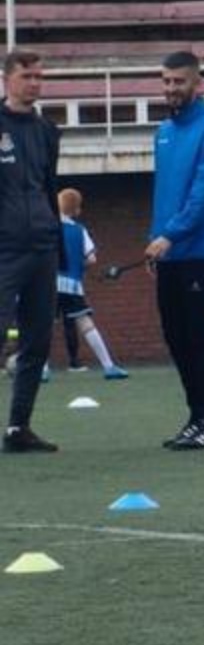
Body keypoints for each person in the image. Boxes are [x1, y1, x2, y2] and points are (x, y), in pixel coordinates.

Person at [145, 49, 204, 449]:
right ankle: (196, 415)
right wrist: (155, 241)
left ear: (197, 84)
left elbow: (202, 194)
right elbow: (164, 195)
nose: (171, 88)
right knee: (176, 336)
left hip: (200, 251)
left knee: (201, 337)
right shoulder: (162, 132)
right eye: (166, 81)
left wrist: (171, 235)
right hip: (169, 251)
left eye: (178, 81)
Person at [1, 49, 63, 454]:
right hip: (3, 249)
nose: (36, 83)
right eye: (28, 76)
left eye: (40, 76)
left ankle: (18, 428)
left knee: (37, 341)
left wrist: (56, 236)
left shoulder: (46, 131)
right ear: (7, 78)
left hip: (42, 247)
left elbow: (48, 187)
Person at [54, 189, 128, 380]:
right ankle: (109, 367)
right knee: (86, 324)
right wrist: (78, 264)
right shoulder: (80, 230)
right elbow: (92, 258)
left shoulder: (48, 226)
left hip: (49, 283)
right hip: (73, 285)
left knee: (42, 325)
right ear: (77, 210)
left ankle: (41, 370)